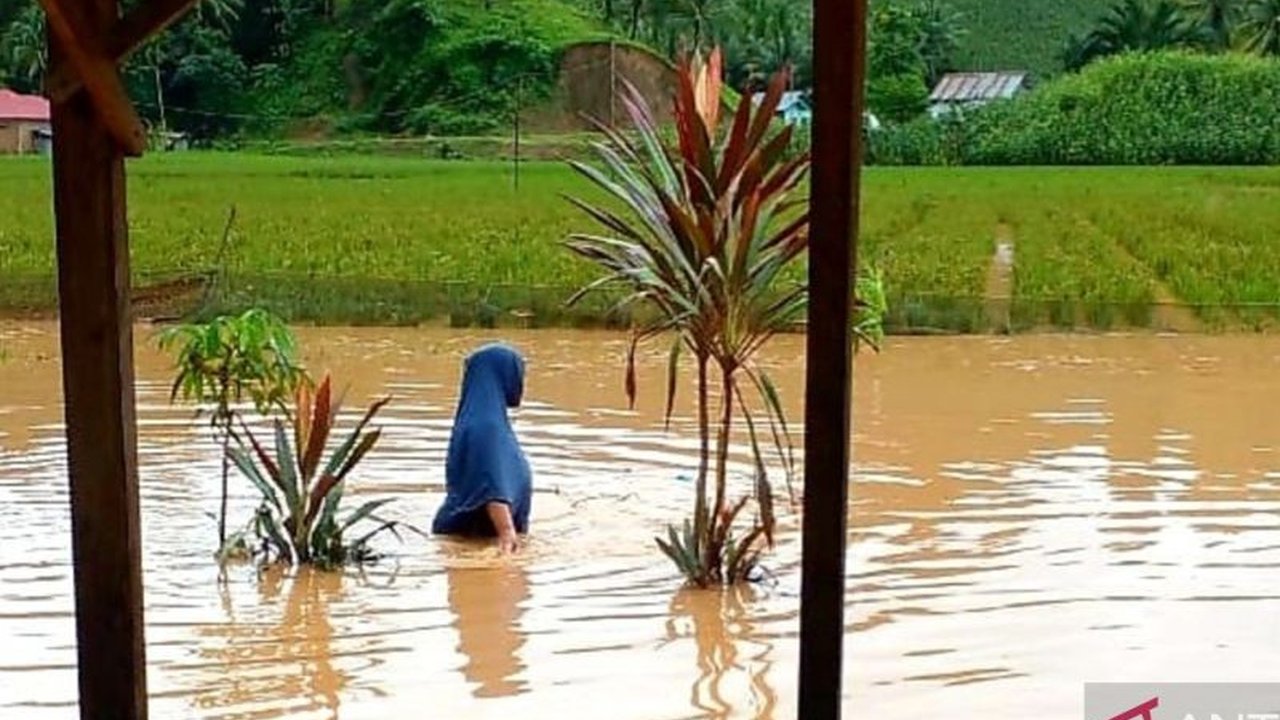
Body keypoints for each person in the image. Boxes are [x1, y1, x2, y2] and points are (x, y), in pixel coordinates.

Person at [432, 343, 532, 553]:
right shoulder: (487, 425)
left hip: (471, 534)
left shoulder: (479, 418)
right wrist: (507, 534)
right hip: (474, 539)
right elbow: (490, 484)